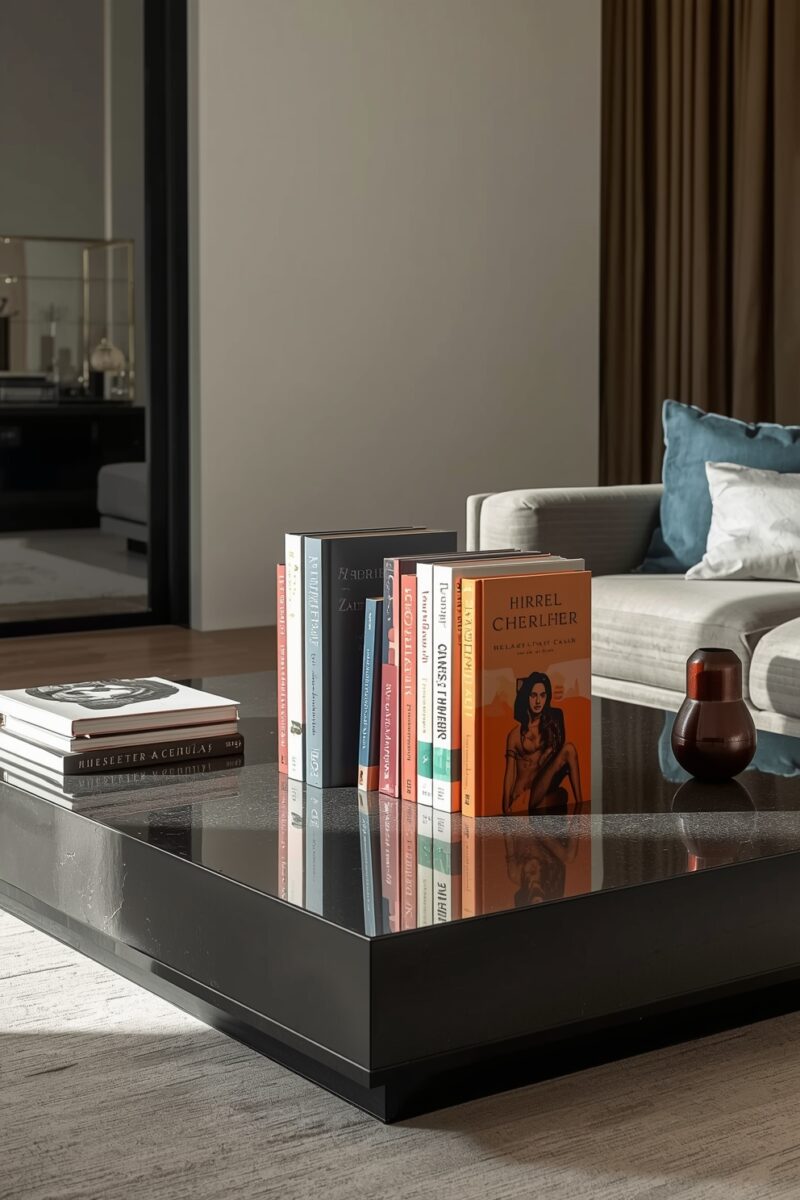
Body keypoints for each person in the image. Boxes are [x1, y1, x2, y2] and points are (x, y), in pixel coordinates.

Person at [502, 671, 584, 815]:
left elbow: (556, 753)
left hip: (539, 790)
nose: (538, 701)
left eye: (542, 695)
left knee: (562, 792)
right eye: (533, 695)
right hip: (523, 797)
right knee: (560, 795)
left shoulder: (550, 725)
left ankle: (581, 807)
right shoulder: (514, 735)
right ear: (526, 697)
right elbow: (509, 775)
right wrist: (505, 808)